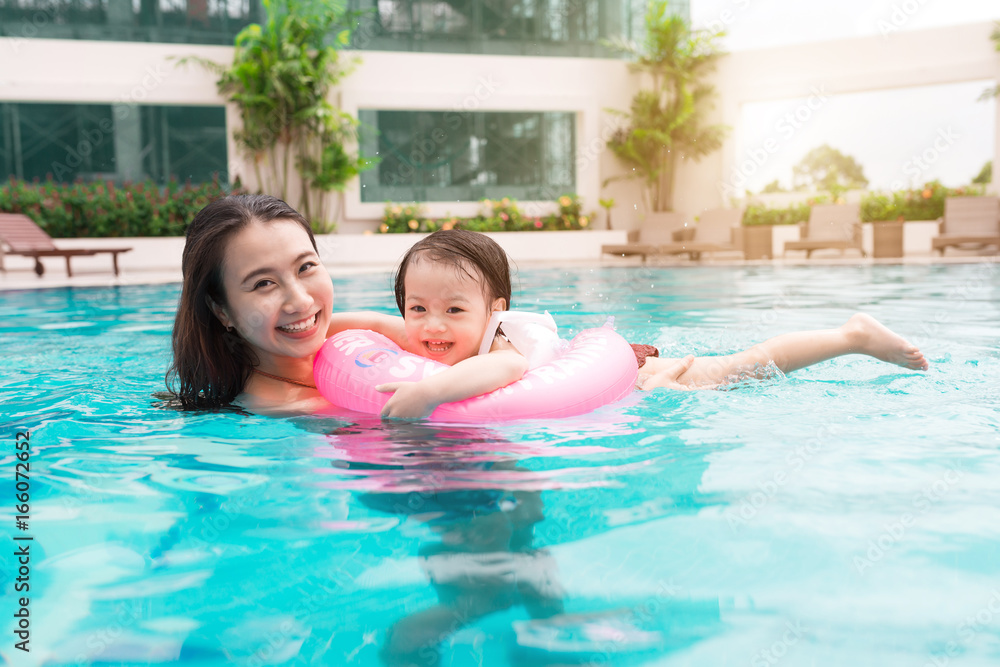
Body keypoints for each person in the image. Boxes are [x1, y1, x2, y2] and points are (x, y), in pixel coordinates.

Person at [167, 195, 927, 416]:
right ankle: (847, 332)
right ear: (223, 310)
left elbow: (471, 350)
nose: (303, 301)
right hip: (552, 398)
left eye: (307, 267)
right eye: (264, 283)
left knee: (728, 373)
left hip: (587, 375)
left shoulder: (358, 333)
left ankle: (848, 333)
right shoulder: (270, 401)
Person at [372, 228, 929, 418]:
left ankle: (851, 336)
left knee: (745, 369)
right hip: (608, 372)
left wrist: (433, 391)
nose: (430, 324)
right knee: (740, 371)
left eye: (453, 310)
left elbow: (510, 369)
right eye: (416, 308)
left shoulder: (499, 345)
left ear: (495, 311)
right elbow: (372, 321)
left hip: (629, 375)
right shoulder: (428, 330)